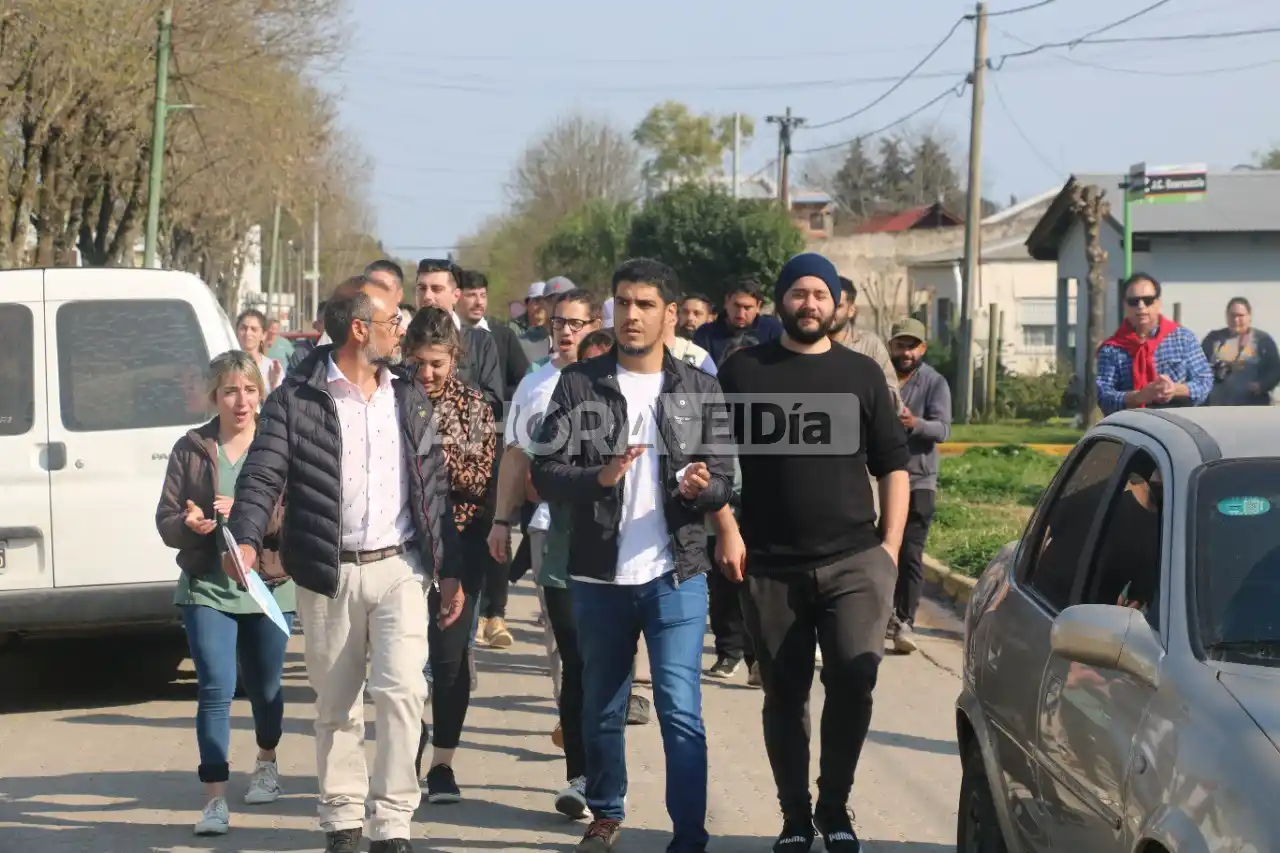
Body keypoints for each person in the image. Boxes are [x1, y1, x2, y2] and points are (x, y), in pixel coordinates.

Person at [225, 275, 464, 853]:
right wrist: (247, 538)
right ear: (360, 329)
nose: (400, 330)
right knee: (336, 705)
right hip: (328, 574)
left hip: (400, 570)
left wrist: (449, 565)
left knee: (404, 692)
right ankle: (341, 820)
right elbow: (261, 475)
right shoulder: (297, 398)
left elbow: (433, 485)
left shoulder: (408, 396)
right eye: (391, 322)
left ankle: (392, 823)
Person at [531, 258, 733, 853]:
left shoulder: (698, 387)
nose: (632, 315)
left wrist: (704, 486)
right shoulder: (580, 384)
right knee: (601, 705)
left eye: (646, 304)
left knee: (680, 710)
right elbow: (545, 471)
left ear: (671, 314)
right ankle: (607, 811)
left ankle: (689, 833)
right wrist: (600, 475)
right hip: (599, 574)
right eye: (624, 303)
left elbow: (726, 480)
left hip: (676, 572)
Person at [716, 252, 909, 853]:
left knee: (855, 680)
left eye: (820, 294)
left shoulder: (861, 374)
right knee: (785, 693)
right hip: (770, 565)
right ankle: (795, 817)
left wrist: (890, 552)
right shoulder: (744, 370)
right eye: (798, 293)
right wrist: (728, 527)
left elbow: (894, 466)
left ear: (836, 304)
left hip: (855, 560)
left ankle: (835, 806)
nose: (809, 304)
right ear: (782, 302)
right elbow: (711, 457)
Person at [155, 350, 295, 837]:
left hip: (268, 586)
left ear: (262, 394)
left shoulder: (277, 446)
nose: (242, 401)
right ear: (215, 395)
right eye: (232, 390)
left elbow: (295, 519)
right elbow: (166, 518)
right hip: (206, 587)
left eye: (251, 390)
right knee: (215, 688)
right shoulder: (191, 447)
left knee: (266, 688)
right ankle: (214, 798)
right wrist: (189, 523)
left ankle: (266, 760)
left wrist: (248, 511)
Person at [490, 293, 603, 819]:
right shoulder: (535, 384)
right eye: (558, 322)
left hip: (615, 545)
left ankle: (597, 757)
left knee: (603, 660)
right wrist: (501, 520)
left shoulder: (615, 380)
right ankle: (580, 769)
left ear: (594, 327)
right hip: (547, 534)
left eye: (575, 324)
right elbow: (516, 456)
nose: (564, 332)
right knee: (567, 653)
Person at [401, 307, 497, 806]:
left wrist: (429, 455)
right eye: (419, 362)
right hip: (400, 547)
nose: (428, 373)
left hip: (460, 542)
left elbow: (478, 479)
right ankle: (407, 743)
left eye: (437, 363)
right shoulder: (393, 397)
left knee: (450, 659)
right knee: (402, 662)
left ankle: (443, 763)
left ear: (454, 358)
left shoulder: (475, 406)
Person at [884, 318, 951, 654]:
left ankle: (904, 621)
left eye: (913, 346)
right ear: (890, 345)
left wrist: (914, 424)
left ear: (923, 348)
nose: (906, 352)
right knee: (880, 550)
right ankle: (879, 615)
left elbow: (942, 430)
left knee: (910, 551)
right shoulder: (879, 376)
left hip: (918, 479)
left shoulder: (934, 382)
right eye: (900, 345)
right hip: (881, 477)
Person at [1096, 273, 1213, 415]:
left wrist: (1174, 389)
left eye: (1148, 300)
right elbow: (1103, 396)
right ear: (1125, 305)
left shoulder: (1183, 338)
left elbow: (1204, 382)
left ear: (1158, 303)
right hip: (1131, 426)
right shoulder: (1112, 348)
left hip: (1177, 423)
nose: (1141, 306)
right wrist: (1139, 397)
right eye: (1134, 301)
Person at [457, 269, 530, 401]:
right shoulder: (447, 336)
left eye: (483, 295)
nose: (479, 302)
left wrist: (496, 393)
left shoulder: (504, 336)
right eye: (472, 295)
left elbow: (525, 382)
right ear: (456, 296)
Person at [830, 276, 901, 412]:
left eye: (838, 306)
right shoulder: (807, 345)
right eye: (828, 305)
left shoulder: (869, 345)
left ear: (851, 310)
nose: (831, 312)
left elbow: (892, 397)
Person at [1202, 296, 1280, 406]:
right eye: (1232, 315)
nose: (1236, 320)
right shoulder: (1213, 339)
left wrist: (1261, 385)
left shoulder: (1262, 340)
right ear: (1226, 316)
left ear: (1249, 316)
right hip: (1218, 406)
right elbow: (1199, 368)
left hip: (1252, 407)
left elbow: (1275, 370)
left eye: (1240, 316)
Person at [693, 275, 784, 367]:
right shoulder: (705, 334)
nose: (741, 314)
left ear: (758, 306)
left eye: (747, 308)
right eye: (736, 306)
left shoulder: (772, 330)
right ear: (727, 301)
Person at [235, 309, 284, 392]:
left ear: (264, 335)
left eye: (253, 329)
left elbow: (280, 402)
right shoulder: (226, 366)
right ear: (236, 332)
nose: (248, 333)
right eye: (243, 328)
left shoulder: (272, 368)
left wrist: (273, 384)